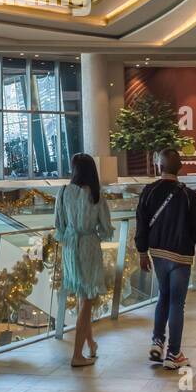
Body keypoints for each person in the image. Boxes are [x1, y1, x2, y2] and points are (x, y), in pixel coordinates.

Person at [134, 149, 196, 370]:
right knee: (177, 303)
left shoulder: (149, 191)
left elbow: (141, 223)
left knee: (163, 297)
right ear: (180, 168)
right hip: (181, 256)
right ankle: (174, 353)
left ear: (159, 166)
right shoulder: (189, 196)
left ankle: (157, 342)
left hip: (157, 254)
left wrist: (141, 252)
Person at [54, 153, 114, 368]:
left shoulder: (63, 192)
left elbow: (58, 224)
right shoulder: (96, 195)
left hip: (70, 247)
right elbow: (106, 228)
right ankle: (77, 355)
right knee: (87, 300)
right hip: (88, 245)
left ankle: (91, 343)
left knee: (83, 297)